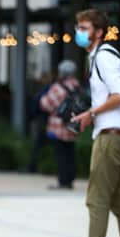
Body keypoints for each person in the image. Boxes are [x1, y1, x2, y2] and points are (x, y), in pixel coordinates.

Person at [54, 8, 120, 237]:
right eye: (78, 27)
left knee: (97, 198)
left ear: (99, 32)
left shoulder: (103, 57)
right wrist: (92, 115)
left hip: (110, 137)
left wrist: (91, 113)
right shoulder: (105, 57)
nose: (79, 32)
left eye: (84, 27)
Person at [40, 60, 80, 190]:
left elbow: (45, 104)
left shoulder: (58, 88)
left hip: (59, 126)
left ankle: (63, 182)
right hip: (73, 124)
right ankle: (70, 180)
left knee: (60, 154)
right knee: (70, 152)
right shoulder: (77, 85)